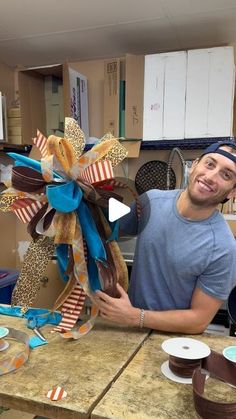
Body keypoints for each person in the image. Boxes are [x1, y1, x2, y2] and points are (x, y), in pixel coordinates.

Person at [94, 141, 236, 334]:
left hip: (175, 343)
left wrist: (135, 316)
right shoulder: (151, 202)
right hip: (129, 331)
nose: (211, 176)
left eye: (226, 175)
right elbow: (108, 226)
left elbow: (198, 320)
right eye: (209, 164)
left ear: (233, 192)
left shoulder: (223, 246)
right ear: (194, 165)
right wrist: (83, 195)